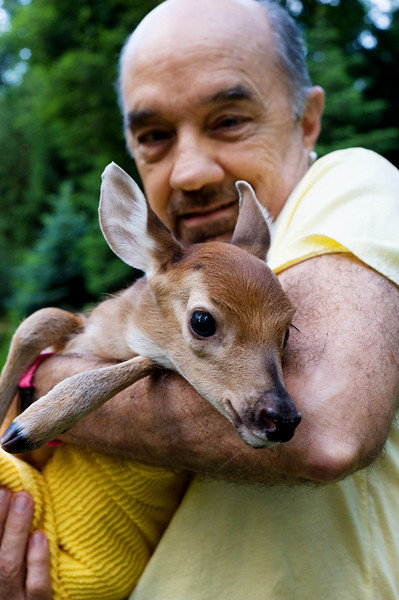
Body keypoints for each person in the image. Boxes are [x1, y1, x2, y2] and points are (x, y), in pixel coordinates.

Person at [1, 0, 399, 597]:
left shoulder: (354, 185)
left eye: (230, 119)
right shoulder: (187, 275)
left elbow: (321, 426)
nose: (188, 171)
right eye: (155, 136)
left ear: (308, 119)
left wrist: (42, 379)